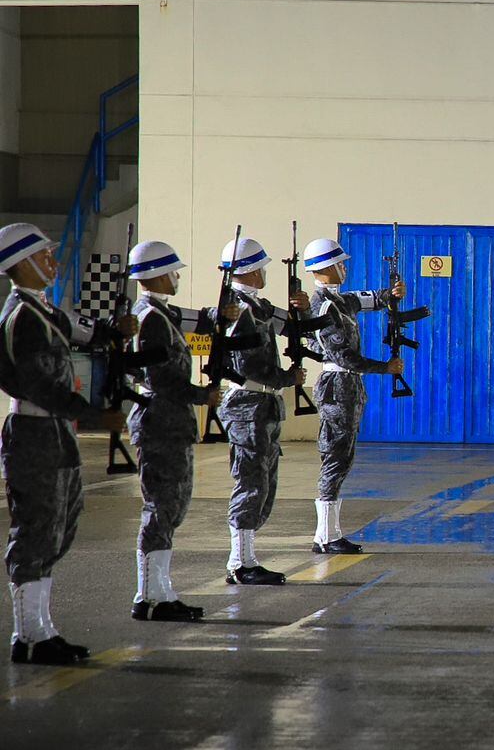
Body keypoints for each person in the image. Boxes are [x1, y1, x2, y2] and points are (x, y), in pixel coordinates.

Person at [0, 222, 134, 663]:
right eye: (43, 256)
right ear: (20, 264)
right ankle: (28, 636)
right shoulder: (22, 317)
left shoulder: (43, 310)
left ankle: (42, 629)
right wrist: (96, 415)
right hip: (37, 431)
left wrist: (114, 330)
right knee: (37, 529)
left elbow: (84, 331)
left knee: (60, 526)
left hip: (56, 432)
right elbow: (41, 387)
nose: (53, 262)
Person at [126, 239, 230, 617]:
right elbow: (162, 379)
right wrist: (202, 396)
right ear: (155, 274)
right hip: (160, 420)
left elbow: (202, 317)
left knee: (171, 507)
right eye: (172, 271)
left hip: (170, 421)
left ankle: (160, 591)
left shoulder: (159, 313)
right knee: (160, 507)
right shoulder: (150, 318)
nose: (176, 277)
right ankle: (150, 596)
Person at [218, 234, 318, 581]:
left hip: (263, 404)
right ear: (249, 271)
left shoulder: (258, 306)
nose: (265, 274)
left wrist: (301, 306)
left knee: (262, 483)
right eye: (261, 268)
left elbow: (293, 326)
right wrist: (285, 378)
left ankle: (245, 559)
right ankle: (240, 563)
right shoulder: (237, 310)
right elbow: (247, 365)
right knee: (250, 482)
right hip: (248, 402)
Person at [302, 236, 412, 552]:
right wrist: (385, 367)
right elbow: (343, 357)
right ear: (326, 267)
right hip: (337, 386)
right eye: (340, 264)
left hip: (349, 386)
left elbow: (374, 299)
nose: (345, 268)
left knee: (343, 457)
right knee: (335, 457)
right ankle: (325, 536)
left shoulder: (342, 301)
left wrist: (392, 294)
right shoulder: (323, 306)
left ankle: (331, 532)